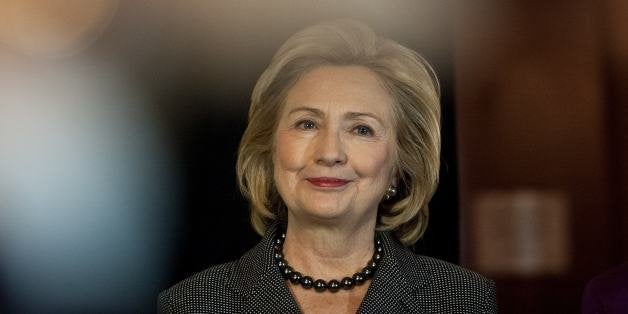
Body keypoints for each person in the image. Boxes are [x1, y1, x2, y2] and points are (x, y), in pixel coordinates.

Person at [158, 19, 497, 313]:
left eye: (361, 129)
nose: (330, 152)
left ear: (399, 165)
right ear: (271, 147)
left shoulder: (462, 300)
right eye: (307, 124)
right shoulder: (194, 303)